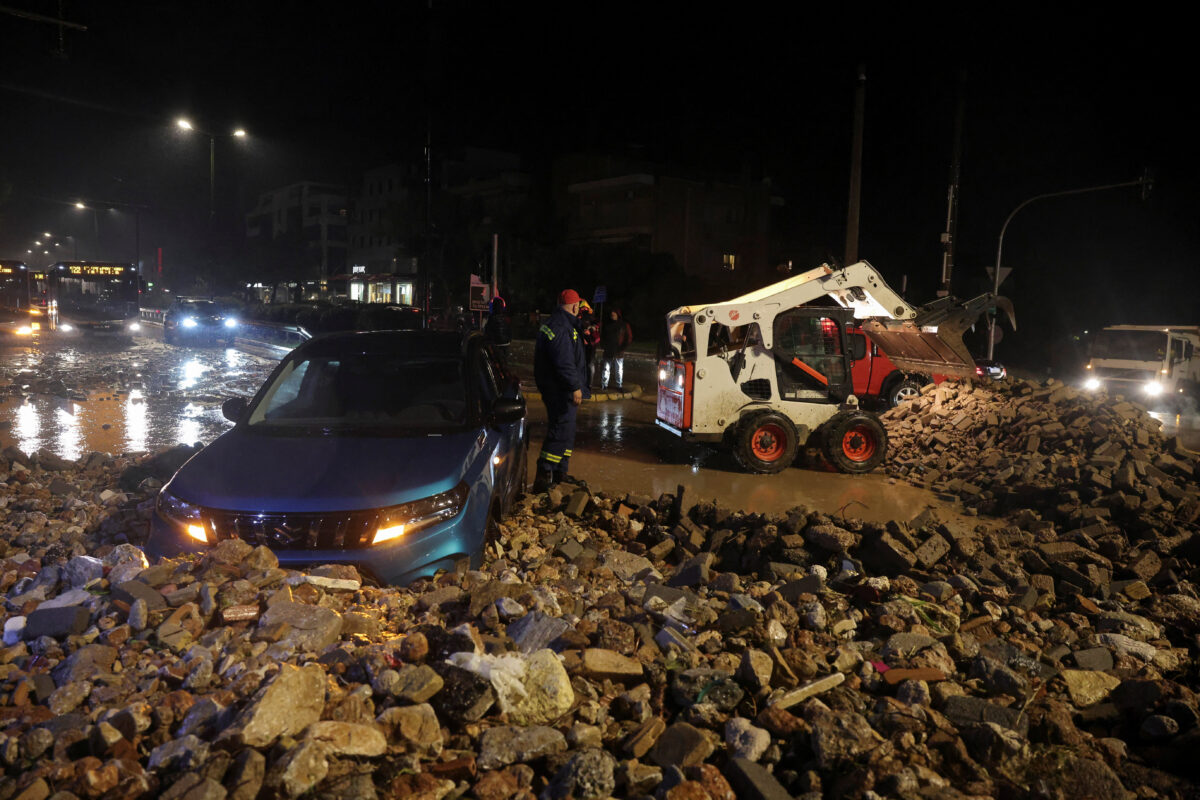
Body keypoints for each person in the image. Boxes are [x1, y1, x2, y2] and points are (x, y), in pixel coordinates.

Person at [532, 289, 590, 491]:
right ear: (575, 306)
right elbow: (564, 362)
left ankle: (559, 473)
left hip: (559, 388)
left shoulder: (562, 324)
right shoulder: (560, 326)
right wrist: (574, 386)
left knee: (566, 431)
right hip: (560, 390)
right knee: (560, 431)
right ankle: (544, 475)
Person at [600, 308, 633, 390]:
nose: (612, 315)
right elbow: (602, 336)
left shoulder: (624, 325)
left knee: (619, 369)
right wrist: (603, 345)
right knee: (606, 368)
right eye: (611, 314)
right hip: (608, 350)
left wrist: (623, 347)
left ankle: (619, 385)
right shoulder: (607, 324)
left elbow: (629, 337)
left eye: (614, 313)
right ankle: (604, 385)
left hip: (619, 351)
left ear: (618, 315)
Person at [483, 295, 512, 365]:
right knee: (504, 363)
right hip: (506, 344)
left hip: (496, 345)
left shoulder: (491, 319)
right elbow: (510, 331)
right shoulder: (506, 318)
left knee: (495, 364)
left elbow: (487, 332)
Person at [578, 300, 600, 387]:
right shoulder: (579, 317)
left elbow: (596, 327)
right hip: (583, 344)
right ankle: (584, 383)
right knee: (583, 364)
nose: (584, 309)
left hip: (590, 345)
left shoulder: (592, 318)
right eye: (582, 308)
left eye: (585, 308)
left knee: (589, 365)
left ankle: (588, 384)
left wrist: (590, 331)